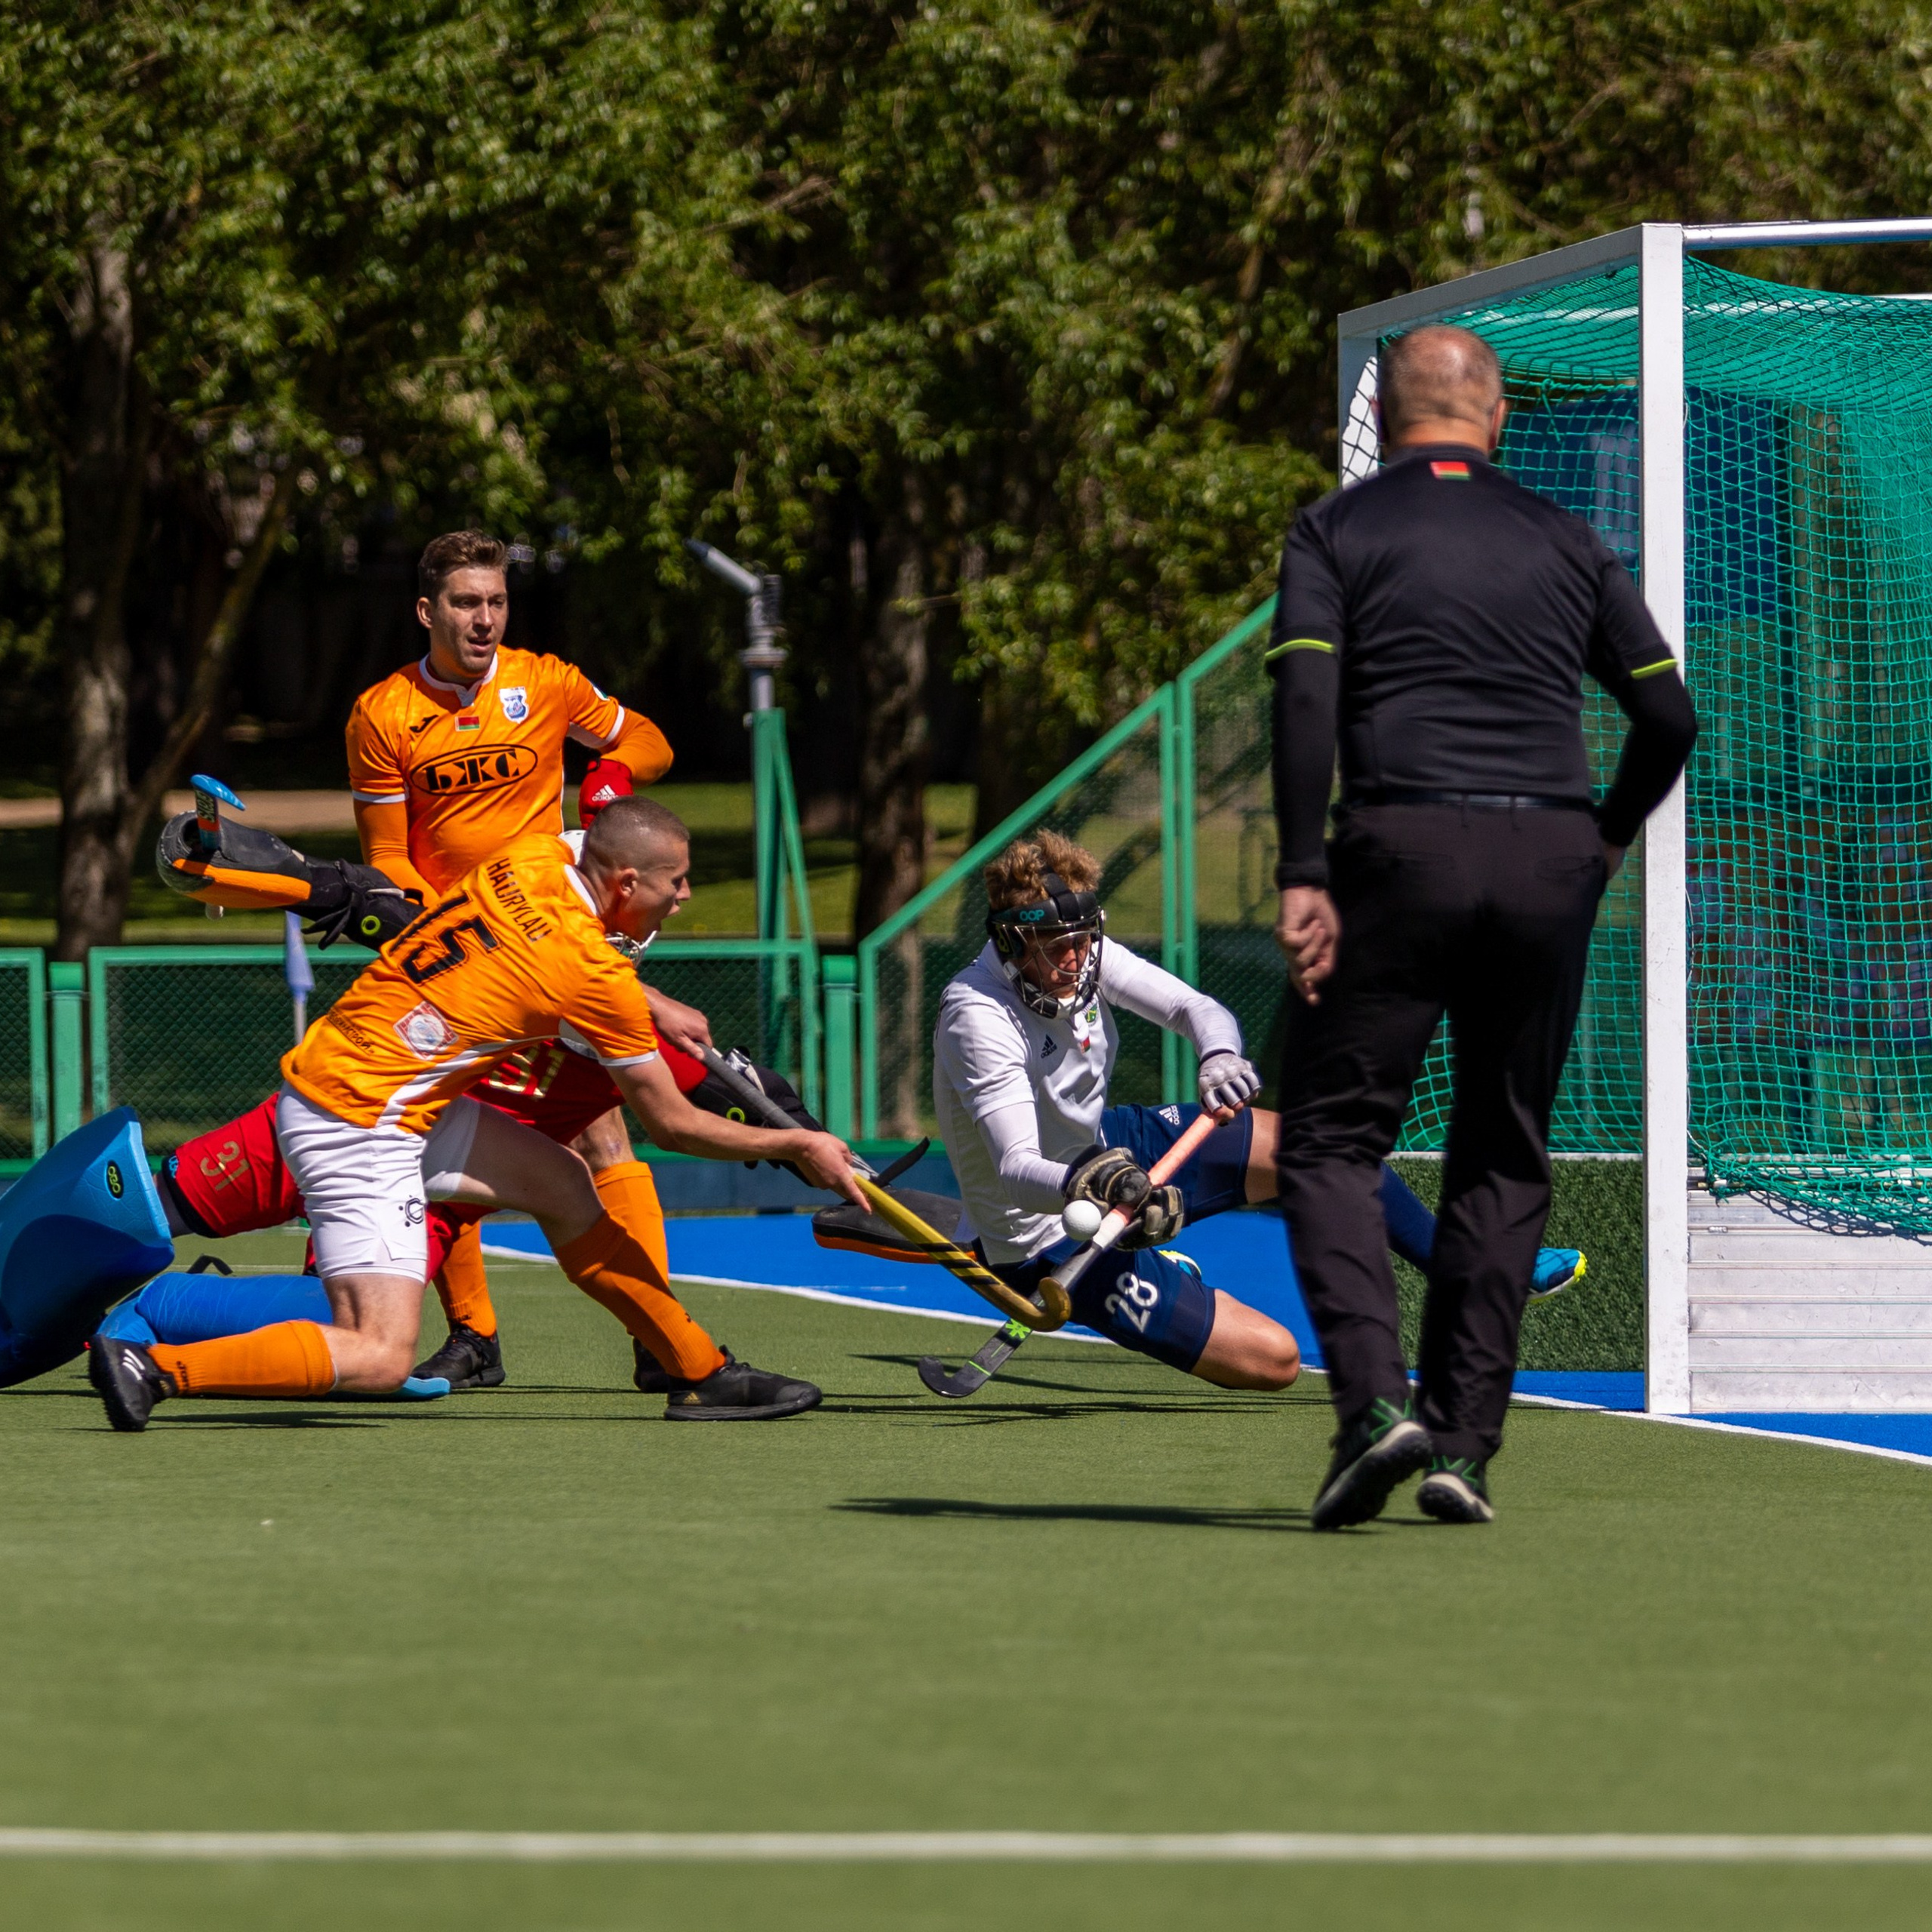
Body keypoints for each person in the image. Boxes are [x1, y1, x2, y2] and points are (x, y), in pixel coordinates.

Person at [1269, 323, 1697, 1529]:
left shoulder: (1336, 529)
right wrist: (1605, 834)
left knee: (1332, 1143)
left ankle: (1370, 1408)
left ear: (1383, 424)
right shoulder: (1568, 538)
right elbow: (1668, 716)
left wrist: (1305, 868)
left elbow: (1307, 695)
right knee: (1503, 1153)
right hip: (1551, 856)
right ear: (1496, 416)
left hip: (1399, 846)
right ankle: (1463, 1448)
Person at [88, 798, 866, 1432]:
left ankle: (699, 1372)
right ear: (626, 883)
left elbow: (567, 910)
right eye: (678, 882)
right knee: (380, 1354)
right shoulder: (591, 973)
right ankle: (156, 1369)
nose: (685, 895)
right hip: (361, 1122)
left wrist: (654, 1001)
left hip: (373, 1086)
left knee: (562, 1181)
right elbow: (672, 1125)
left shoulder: (534, 859)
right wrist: (800, 1141)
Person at [909, 832, 1581, 1389]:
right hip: (1042, 1232)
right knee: (1276, 1361)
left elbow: (1193, 1008)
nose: (1077, 960)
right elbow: (1014, 1168)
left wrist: (1218, 1057)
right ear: (1011, 944)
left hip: (1108, 1147)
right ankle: (1168, 1274)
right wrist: (1107, 1187)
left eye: (1085, 941)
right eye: (1059, 949)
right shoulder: (979, 1017)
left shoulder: (1080, 950)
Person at [342, 528, 681, 1389]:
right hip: (455, 958)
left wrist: (609, 781)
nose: (484, 618)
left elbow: (645, 736)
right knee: (443, 1129)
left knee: (605, 1127)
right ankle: (475, 1338)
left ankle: (659, 1335)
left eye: (495, 601)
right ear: (427, 611)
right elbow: (386, 856)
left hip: (557, 937)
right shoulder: (383, 715)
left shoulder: (548, 682)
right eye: (465, 602)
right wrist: (428, 925)